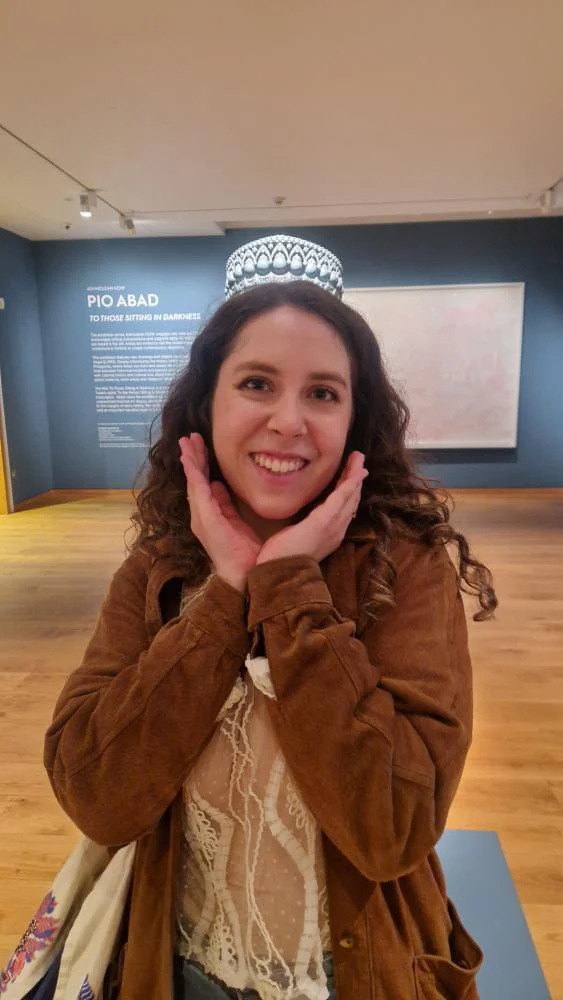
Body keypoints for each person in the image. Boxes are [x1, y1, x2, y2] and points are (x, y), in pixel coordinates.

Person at [43, 278, 496, 1000]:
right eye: (257, 383)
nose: (289, 421)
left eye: (322, 393)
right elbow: (95, 795)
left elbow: (394, 829)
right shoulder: (157, 571)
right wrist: (225, 596)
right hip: (178, 968)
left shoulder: (404, 568)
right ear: (208, 404)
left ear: (354, 421)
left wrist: (286, 587)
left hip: (354, 974)